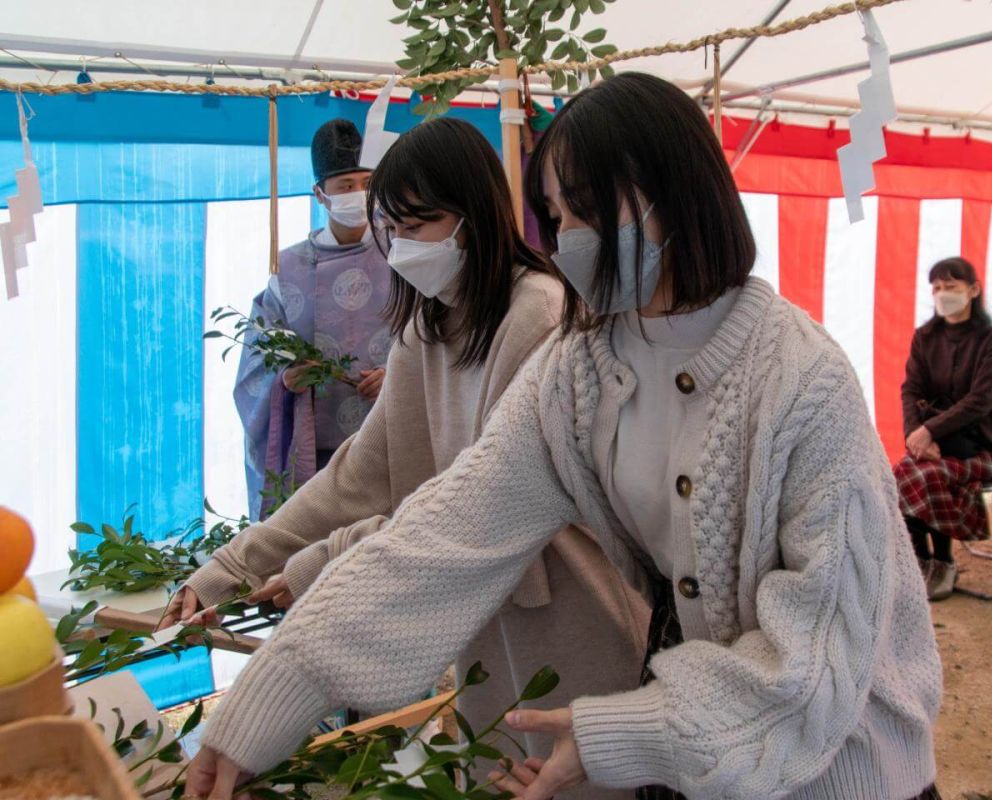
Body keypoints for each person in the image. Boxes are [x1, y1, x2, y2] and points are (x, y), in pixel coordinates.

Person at [184, 73, 942, 800]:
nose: (569, 239)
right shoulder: (581, 366)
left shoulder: (804, 382)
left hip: (843, 770)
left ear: (677, 195)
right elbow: (449, 529)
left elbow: (817, 668)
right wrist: (273, 697)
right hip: (690, 757)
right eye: (557, 216)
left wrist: (623, 729)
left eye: (587, 209)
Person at [165, 118, 649, 798]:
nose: (399, 247)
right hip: (482, 617)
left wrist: (323, 564)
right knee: (496, 768)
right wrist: (229, 568)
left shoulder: (536, 316)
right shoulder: (428, 322)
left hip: (569, 612)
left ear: (475, 216)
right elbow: (358, 477)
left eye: (419, 225)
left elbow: (470, 512)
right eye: (390, 228)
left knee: (577, 781)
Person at [234, 118, 392, 520]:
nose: (358, 194)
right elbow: (256, 358)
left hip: (393, 443)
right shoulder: (288, 269)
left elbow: (435, 337)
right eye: (345, 186)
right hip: (317, 455)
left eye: (366, 182)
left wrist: (399, 375)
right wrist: (284, 378)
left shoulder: (402, 252)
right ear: (320, 195)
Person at [894, 257, 992, 601]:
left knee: (927, 477)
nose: (943, 294)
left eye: (952, 286)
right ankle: (921, 558)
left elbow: (982, 399)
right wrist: (914, 435)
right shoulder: (925, 337)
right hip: (935, 445)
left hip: (983, 448)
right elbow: (910, 389)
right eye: (937, 288)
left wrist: (929, 430)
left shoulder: (991, 340)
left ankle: (944, 562)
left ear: (973, 290)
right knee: (898, 475)